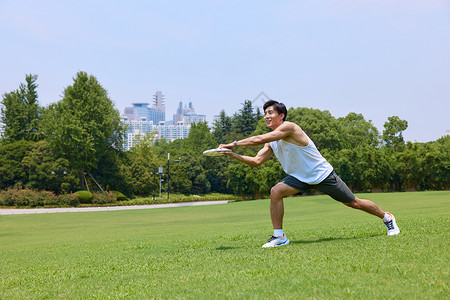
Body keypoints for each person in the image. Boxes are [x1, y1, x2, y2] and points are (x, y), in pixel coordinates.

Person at [219, 100, 400, 248]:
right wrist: (232, 154)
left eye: (270, 112)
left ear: (281, 116)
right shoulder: (272, 141)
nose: (266, 116)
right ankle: (279, 236)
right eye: (265, 113)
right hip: (299, 178)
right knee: (276, 191)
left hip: (321, 174)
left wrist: (232, 144)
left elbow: (259, 139)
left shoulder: (289, 127)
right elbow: (256, 161)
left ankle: (387, 218)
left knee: (353, 202)